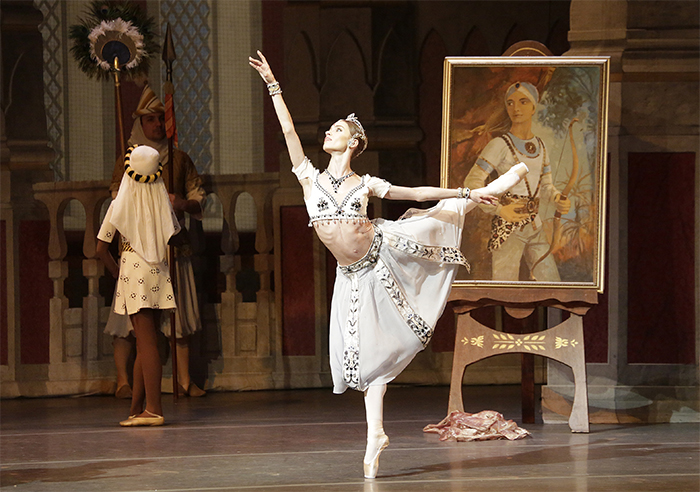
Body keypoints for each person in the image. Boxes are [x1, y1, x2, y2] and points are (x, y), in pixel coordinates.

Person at [249, 51, 527, 478]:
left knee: (435, 218)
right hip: (353, 278)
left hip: (383, 254)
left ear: (353, 143)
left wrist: (464, 193)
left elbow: (415, 193)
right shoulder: (309, 176)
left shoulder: (367, 184)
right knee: (365, 357)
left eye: (336, 129)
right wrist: (274, 84)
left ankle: (487, 191)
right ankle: (375, 434)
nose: (328, 132)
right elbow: (287, 128)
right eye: (328, 128)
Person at [105, 84, 206, 398]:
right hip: (136, 249)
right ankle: (124, 381)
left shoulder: (179, 158)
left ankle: (183, 379)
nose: (158, 125)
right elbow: (116, 199)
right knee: (129, 323)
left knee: (179, 315)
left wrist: (181, 204)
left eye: (162, 119)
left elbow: (198, 197)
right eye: (151, 120)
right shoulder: (128, 161)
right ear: (141, 123)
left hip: (172, 245)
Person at [96, 144, 181, 426]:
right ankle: (137, 407)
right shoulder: (161, 203)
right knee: (147, 342)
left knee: (146, 344)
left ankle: (154, 408)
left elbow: (100, 249)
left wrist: (116, 271)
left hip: (133, 269)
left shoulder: (119, 205)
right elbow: (174, 235)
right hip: (157, 269)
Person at [462, 81, 571, 281]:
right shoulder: (499, 145)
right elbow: (472, 183)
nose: (516, 108)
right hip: (508, 226)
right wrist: (498, 210)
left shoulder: (541, 146)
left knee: (552, 283)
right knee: (505, 284)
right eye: (510, 103)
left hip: (534, 226)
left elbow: (546, 186)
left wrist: (557, 198)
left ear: (533, 106)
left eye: (523, 102)